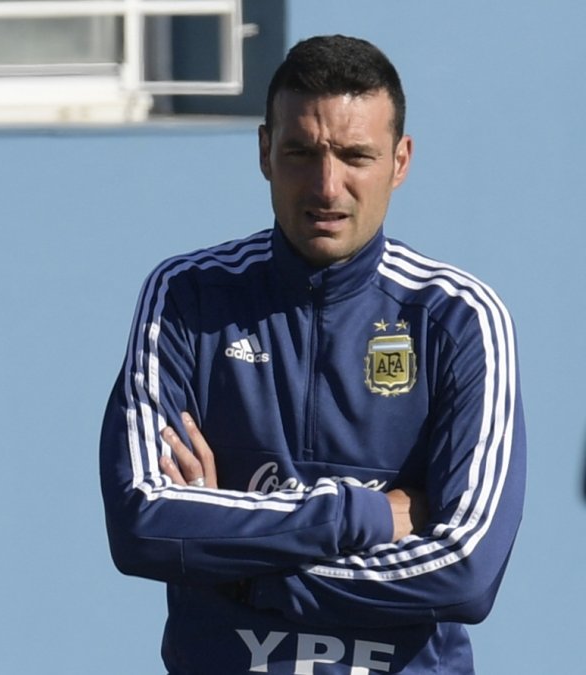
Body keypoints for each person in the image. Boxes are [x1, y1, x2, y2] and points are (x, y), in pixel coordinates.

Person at [99, 35, 524, 674]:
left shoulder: (459, 317)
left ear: (400, 161)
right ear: (265, 152)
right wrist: (373, 512)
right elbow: (145, 524)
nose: (328, 186)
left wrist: (245, 569)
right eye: (301, 153)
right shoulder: (188, 296)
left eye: (356, 156)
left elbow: (464, 572)